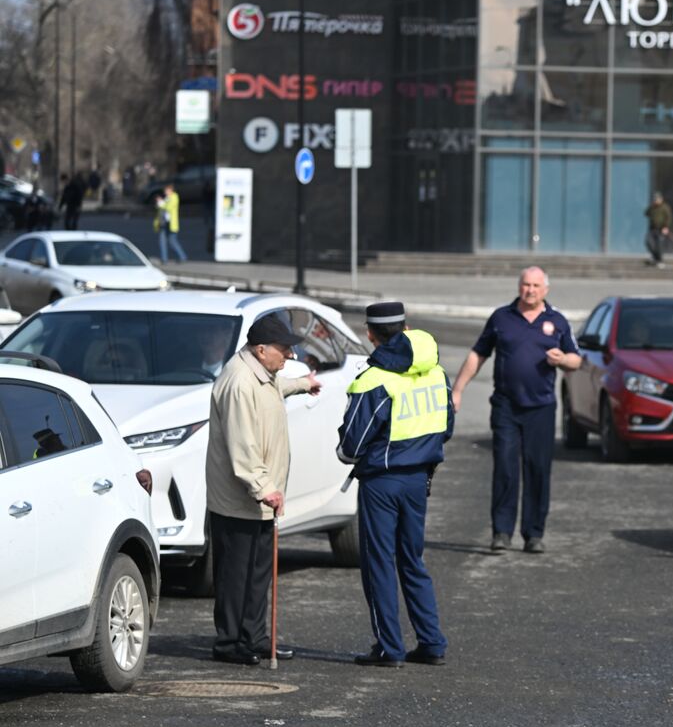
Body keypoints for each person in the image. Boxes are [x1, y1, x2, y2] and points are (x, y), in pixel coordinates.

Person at [337, 302, 454, 668]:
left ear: (370, 334)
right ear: (406, 327)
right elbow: (446, 428)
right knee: (412, 560)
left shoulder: (373, 379)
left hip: (382, 482)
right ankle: (432, 642)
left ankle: (390, 648)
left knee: (379, 564)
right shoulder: (436, 372)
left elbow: (351, 446)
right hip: (419, 479)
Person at [205, 314, 320, 665]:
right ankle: (230, 643)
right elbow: (243, 445)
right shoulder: (239, 382)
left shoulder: (262, 374)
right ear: (260, 349)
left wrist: (301, 384)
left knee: (258, 571)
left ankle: (253, 637)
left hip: (259, 498)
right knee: (236, 574)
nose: (288, 356)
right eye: (283, 350)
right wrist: (264, 487)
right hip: (240, 498)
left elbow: (272, 391)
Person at [451, 267, 582, 554]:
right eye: (526, 284)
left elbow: (576, 360)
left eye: (536, 285)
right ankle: (501, 532)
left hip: (541, 407)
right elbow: (478, 354)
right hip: (506, 405)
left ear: (546, 289)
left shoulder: (557, 321)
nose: (530, 290)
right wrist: (458, 390)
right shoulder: (501, 318)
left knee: (537, 469)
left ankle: (534, 534)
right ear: (519, 286)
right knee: (505, 468)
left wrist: (562, 359)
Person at [154, 183, 187, 263]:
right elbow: (160, 209)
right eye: (165, 191)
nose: (165, 192)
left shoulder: (174, 197)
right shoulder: (166, 198)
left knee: (172, 241)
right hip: (164, 223)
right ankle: (164, 259)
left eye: (166, 190)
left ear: (171, 190)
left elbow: (168, 207)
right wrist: (159, 203)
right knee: (162, 241)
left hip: (171, 224)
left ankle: (183, 256)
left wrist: (161, 203)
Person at [644, 192, 672, 268]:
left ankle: (659, 260)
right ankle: (655, 257)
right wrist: (651, 206)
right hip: (652, 229)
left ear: (661, 199)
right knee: (648, 242)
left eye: (657, 199)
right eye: (655, 199)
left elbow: (668, 218)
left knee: (659, 245)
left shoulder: (665, 207)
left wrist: (666, 227)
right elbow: (646, 213)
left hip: (661, 229)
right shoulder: (652, 207)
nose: (656, 200)